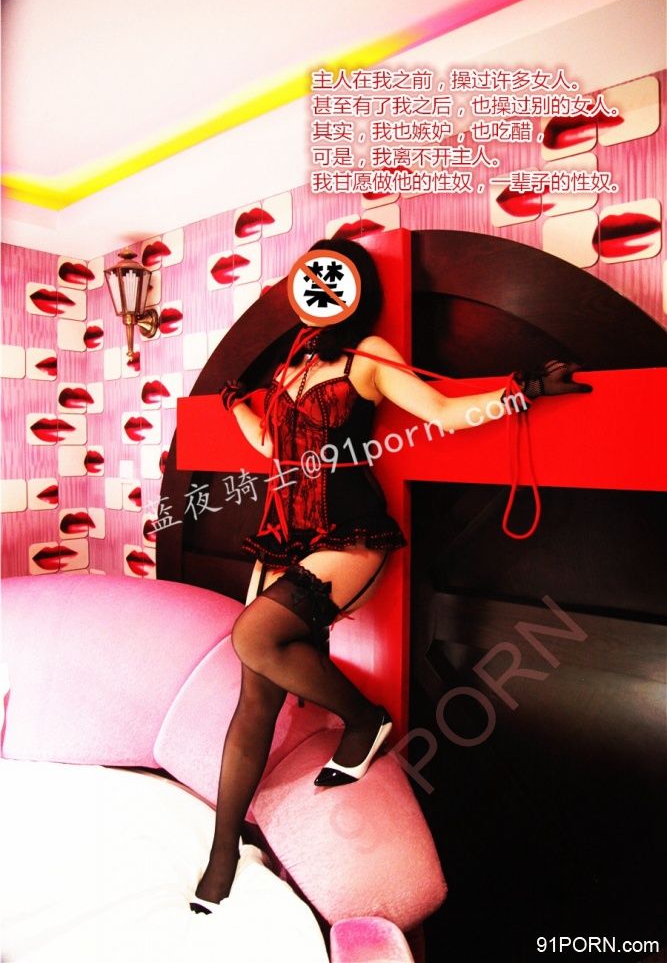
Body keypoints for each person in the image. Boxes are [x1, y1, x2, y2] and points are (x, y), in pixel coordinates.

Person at [190, 238, 591, 914]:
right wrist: (239, 406)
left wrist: (519, 393)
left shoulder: (369, 357)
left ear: (354, 291)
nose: (318, 291)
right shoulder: (291, 367)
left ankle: (363, 718)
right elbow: (270, 446)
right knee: (253, 698)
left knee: (252, 635)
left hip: (349, 531)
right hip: (283, 532)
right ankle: (224, 849)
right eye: (309, 280)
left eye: (330, 279)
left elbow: (440, 413)